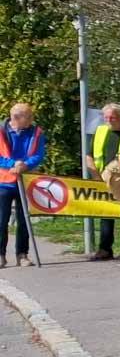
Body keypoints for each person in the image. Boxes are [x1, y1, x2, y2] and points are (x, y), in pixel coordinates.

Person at [0, 101, 47, 268]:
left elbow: (39, 154)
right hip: (3, 182)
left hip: (26, 181)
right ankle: (1, 255)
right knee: (1, 220)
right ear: (16, 117)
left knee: (24, 220)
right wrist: (13, 164)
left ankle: (22, 254)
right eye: (28, 117)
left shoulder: (36, 132)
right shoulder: (1, 130)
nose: (32, 119)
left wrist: (25, 165)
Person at [86, 102, 120, 260]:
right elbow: (89, 155)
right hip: (103, 180)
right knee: (106, 214)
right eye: (105, 117)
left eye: (112, 117)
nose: (108, 120)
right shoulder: (100, 132)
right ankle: (105, 249)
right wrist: (96, 177)